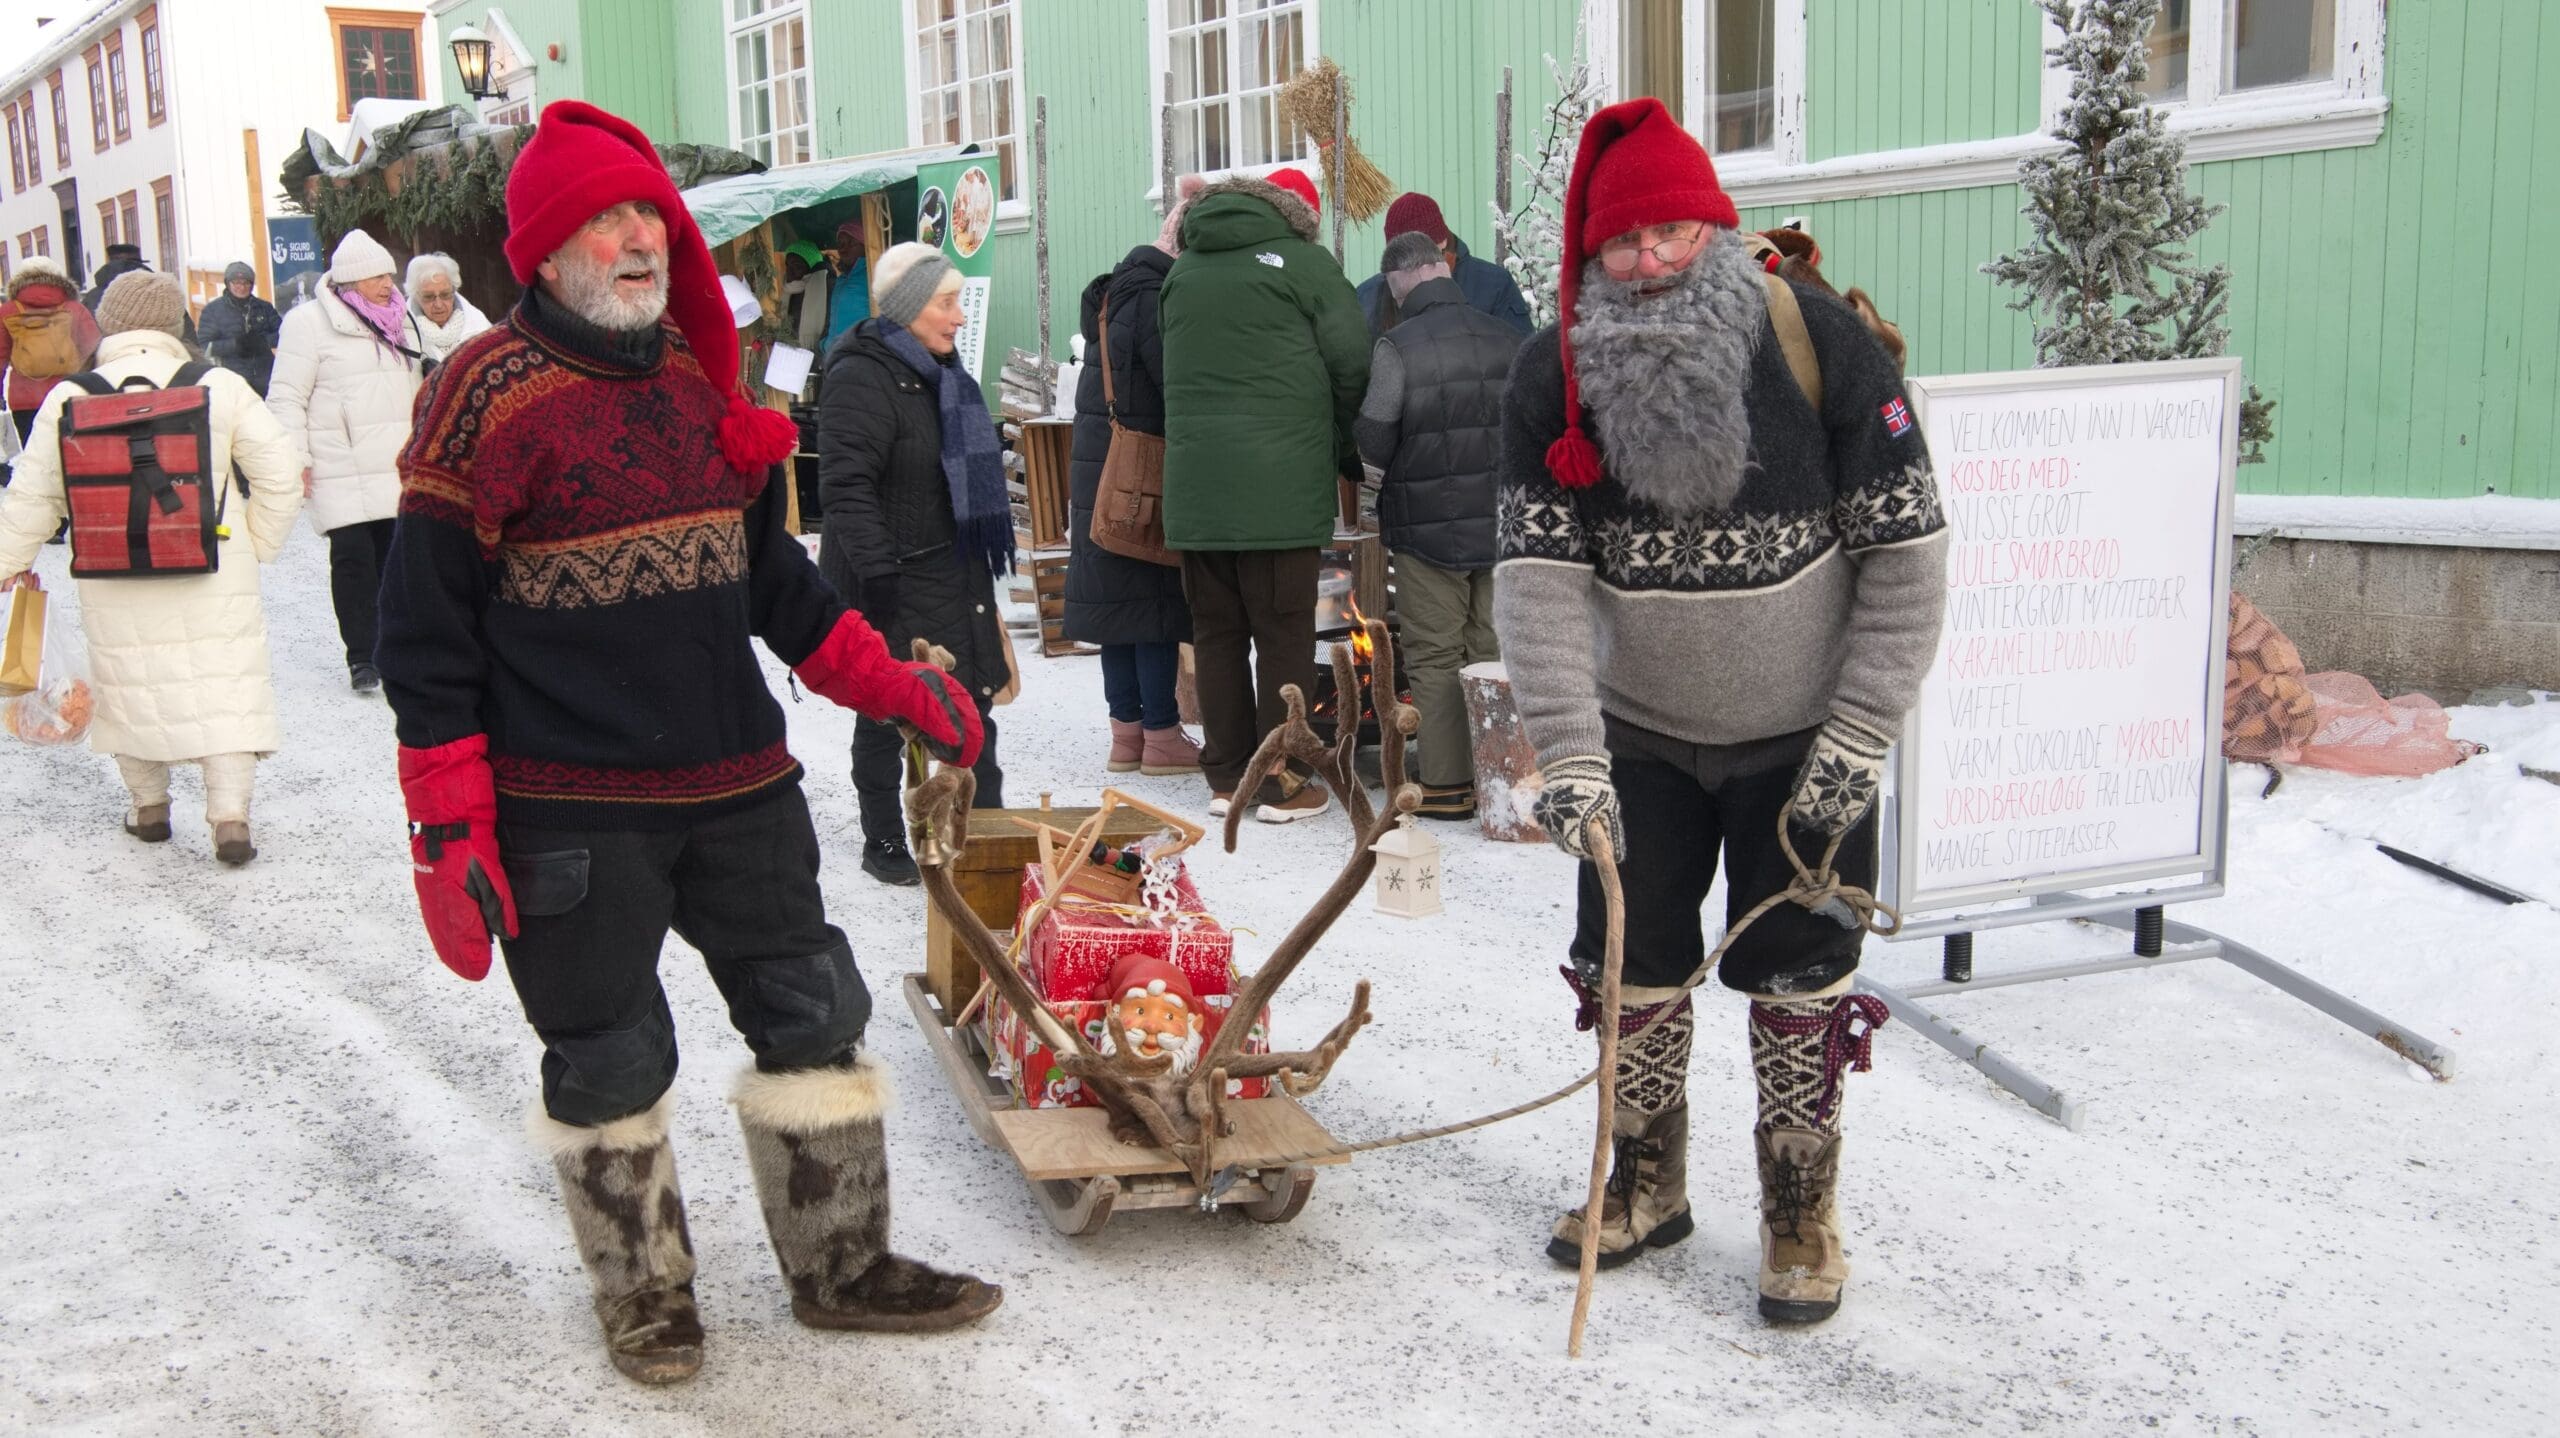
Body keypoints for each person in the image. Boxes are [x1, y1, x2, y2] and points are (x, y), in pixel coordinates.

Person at [376, 101, 1000, 1385]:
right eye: (601, 222)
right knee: (607, 1055)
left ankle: (842, 1265)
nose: (635, 239)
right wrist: (449, 824)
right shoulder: (478, 397)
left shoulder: (690, 381)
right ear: (545, 252)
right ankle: (646, 1295)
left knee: (813, 1012)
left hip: (739, 788)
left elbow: (773, 582)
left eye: (643, 215)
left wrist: (887, 682)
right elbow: (425, 635)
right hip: (571, 809)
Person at [1495, 99, 1947, 1325]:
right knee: (1631, 968)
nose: (1648, 266)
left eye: (1673, 238)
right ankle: (1646, 1181)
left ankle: (1799, 1209)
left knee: (1798, 978)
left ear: (1719, 228)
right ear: (1593, 258)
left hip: (1804, 737)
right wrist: (1570, 757)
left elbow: (1906, 561)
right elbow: (1538, 582)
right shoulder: (1554, 375)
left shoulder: (1823, 347)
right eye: (1623, 249)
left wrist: (1859, 737)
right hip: (1638, 733)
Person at [0, 273, 302, 864]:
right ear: (174, 325)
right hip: (213, 563)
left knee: (127, 681)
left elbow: (34, 496)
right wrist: (254, 544)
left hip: (112, 562)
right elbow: (280, 475)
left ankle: (148, 808)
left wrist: (9, 564)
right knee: (224, 687)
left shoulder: (69, 396)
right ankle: (231, 817)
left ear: (108, 324)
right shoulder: (219, 384)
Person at [1158, 166, 1366, 823]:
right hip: (1281, 490)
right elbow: (1353, 361)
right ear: (1290, 212)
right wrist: (1337, 437)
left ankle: (1226, 776)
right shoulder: (1305, 265)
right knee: (1281, 634)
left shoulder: (1183, 273)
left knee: (1216, 634)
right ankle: (1277, 777)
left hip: (1198, 494)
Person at [816, 241, 1014, 887]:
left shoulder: (946, 374)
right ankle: (884, 837)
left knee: (970, 704)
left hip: (954, 571)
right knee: (886, 711)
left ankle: (981, 832)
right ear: (906, 307)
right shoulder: (861, 374)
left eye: (959, 301)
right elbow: (845, 487)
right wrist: (877, 576)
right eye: (946, 302)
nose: (959, 316)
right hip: (891, 577)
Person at [1354, 231, 1521, 821]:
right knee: (1492, 647)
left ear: (1400, 280)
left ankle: (1449, 785)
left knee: (1433, 653)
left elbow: (1374, 436)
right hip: (1502, 526)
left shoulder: (1397, 347)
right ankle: (1499, 778)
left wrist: (1368, 489)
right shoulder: (1507, 337)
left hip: (1427, 532)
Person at [1064, 199, 1200, 781]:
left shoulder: (1113, 294)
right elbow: (1177, 383)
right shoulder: (1154, 297)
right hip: (1142, 477)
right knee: (1152, 607)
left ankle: (1126, 735)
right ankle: (1162, 735)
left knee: (1116, 608)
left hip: (1104, 471)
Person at [265, 229, 423, 693]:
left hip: (395, 461)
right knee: (354, 563)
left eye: (389, 275)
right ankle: (363, 657)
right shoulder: (307, 323)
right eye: (376, 276)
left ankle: (396, 648)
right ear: (351, 280)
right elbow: (287, 396)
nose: (387, 284)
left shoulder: (401, 318)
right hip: (341, 463)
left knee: (397, 562)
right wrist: (297, 456)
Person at [1355, 192, 1532, 337]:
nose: (1420, 274)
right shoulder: (1369, 297)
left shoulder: (1494, 286)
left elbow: (1520, 361)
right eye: (1407, 266)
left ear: (1443, 242)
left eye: (1429, 259)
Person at [197, 261, 284, 396]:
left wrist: (261, 342)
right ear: (227, 283)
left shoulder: (264, 307)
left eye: (246, 283)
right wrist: (236, 345)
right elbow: (204, 347)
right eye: (236, 283)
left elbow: (283, 334)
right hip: (232, 380)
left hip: (266, 379)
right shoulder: (213, 311)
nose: (242, 287)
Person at [404, 251, 491, 369]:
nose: (438, 304)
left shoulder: (479, 325)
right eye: (428, 297)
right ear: (415, 296)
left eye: (445, 295)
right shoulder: (403, 332)